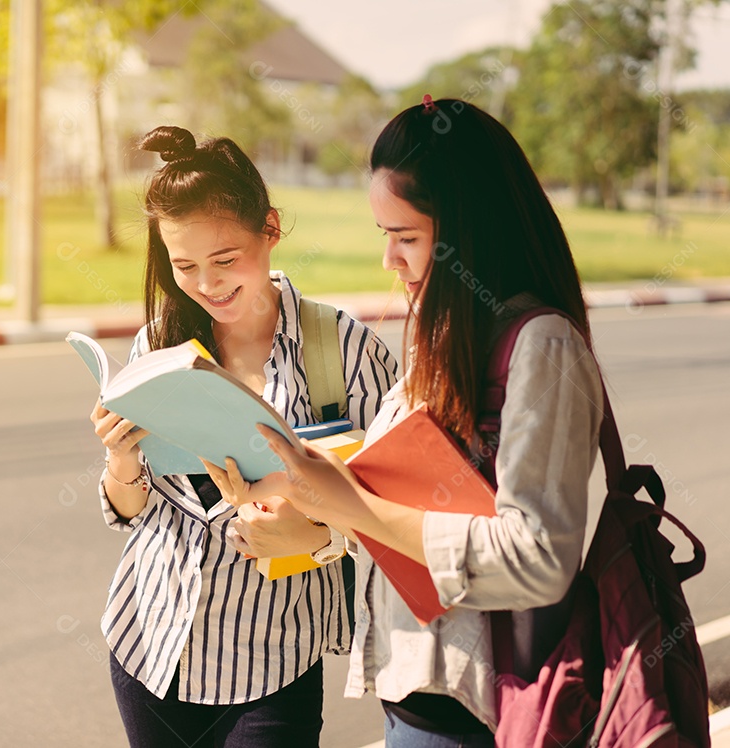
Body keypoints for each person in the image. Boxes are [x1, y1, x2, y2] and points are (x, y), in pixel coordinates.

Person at [205, 98, 604, 745]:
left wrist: (352, 510)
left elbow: (539, 559)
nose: (390, 260)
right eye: (383, 235)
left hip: (491, 712)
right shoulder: (439, 331)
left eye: (407, 237)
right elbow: (396, 497)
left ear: (472, 232)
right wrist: (302, 497)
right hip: (416, 695)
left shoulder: (542, 348)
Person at [89, 125, 397, 747]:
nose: (207, 283)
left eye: (226, 259)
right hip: (150, 644)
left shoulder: (343, 349)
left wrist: (316, 537)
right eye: (184, 265)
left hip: (272, 660)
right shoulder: (160, 344)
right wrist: (121, 463)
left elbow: (393, 510)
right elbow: (129, 514)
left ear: (271, 229)